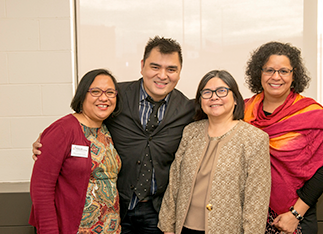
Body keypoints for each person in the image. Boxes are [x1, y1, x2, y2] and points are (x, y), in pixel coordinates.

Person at [32, 36, 195, 234]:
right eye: (155, 67)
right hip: (119, 209)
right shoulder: (116, 96)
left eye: (171, 69)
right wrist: (48, 142)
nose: (162, 75)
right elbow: (79, 124)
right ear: (142, 66)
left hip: (156, 211)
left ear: (179, 73)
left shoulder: (188, 109)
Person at [158, 70, 271, 234]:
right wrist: (168, 227)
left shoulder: (254, 139)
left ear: (236, 100)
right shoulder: (191, 132)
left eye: (222, 91)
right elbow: (174, 181)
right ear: (201, 101)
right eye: (207, 92)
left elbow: (257, 199)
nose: (214, 97)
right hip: (184, 227)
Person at [244, 42, 323, 234]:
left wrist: (296, 214)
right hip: (249, 215)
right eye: (269, 70)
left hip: (294, 217)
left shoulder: (312, 115)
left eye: (284, 71)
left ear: (294, 75)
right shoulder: (242, 112)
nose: (276, 77)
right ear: (258, 73)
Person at [29, 69, 122, 233]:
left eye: (110, 92)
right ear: (82, 94)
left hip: (110, 228)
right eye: (95, 91)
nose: (104, 98)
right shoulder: (63, 130)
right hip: (74, 229)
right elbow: (41, 188)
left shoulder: (107, 131)